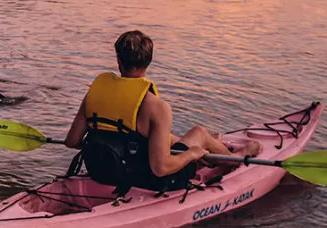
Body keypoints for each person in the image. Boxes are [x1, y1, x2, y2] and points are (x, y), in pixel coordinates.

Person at [62, 30, 262, 195]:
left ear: (118, 60)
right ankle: (236, 155)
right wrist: (191, 154)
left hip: (103, 172)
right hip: (145, 180)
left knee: (170, 138)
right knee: (199, 132)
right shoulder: (157, 107)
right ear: (149, 61)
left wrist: (105, 149)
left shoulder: (95, 95)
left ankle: (211, 145)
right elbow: (161, 168)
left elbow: (72, 141)